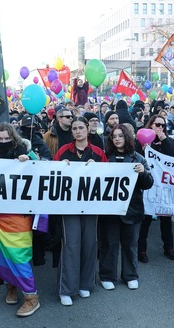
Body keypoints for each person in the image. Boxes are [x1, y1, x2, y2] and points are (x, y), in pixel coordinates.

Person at [0, 123, 40, 317]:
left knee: (19, 256)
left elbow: (42, 166)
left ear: (14, 138)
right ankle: (11, 286)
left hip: (19, 215)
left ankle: (31, 297)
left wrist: (29, 160)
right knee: (0, 256)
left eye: (7, 139)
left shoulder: (25, 149)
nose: (3, 142)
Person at [53, 117, 107, 306]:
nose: (78, 131)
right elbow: (52, 175)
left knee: (89, 244)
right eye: (74, 128)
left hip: (92, 206)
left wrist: (98, 168)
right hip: (69, 207)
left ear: (87, 129)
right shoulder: (63, 151)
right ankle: (66, 289)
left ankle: (86, 284)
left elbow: (109, 178)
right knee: (71, 244)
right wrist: (61, 167)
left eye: (81, 128)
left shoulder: (98, 152)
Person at [99, 124, 153, 291]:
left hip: (133, 209)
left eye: (120, 136)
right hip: (110, 210)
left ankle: (130, 275)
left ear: (127, 138)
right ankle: (107, 275)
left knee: (130, 244)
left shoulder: (138, 158)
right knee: (109, 244)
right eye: (114, 136)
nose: (117, 139)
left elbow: (148, 184)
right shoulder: (105, 157)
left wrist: (143, 172)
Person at [137, 115, 174, 263]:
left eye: (163, 125)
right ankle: (141, 250)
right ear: (151, 125)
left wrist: (165, 140)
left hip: (163, 188)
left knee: (166, 220)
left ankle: (169, 248)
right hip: (148, 186)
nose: (160, 127)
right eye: (157, 124)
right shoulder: (142, 141)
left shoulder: (165, 141)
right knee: (146, 220)